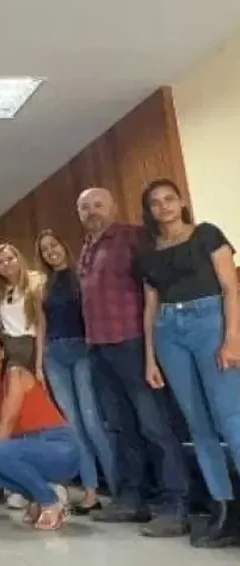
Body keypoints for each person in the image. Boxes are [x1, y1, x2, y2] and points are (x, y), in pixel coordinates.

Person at [77, 187, 189, 536]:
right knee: (121, 426)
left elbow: (155, 287)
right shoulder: (86, 247)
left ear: (113, 207)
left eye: (98, 204)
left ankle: (175, 505)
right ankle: (133, 499)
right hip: (99, 348)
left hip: (134, 343)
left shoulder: (133, 237)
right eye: (85, 207)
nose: (92, 211)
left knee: (155, 425)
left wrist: (154, 346)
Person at [137, 179, 240, 547]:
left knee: (231, 418)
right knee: (198, 425)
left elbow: (231, 287)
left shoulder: (206, 234)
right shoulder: (148, 253)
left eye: (169, 198)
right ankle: (224, 510)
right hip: (168, 331)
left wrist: (232, 338)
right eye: (155, 202)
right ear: (149, 211)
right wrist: (150, 358)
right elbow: (150, 306)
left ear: (180, 202)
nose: (163, 206)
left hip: (209, 321)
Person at [33, 229, 115, 514]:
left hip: (82, 350)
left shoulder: (83, 274)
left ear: (63, 245)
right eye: (44, 250)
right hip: (54, 355)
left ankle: (119, 490)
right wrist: (39, 365)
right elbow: (41, 325)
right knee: (73, 426)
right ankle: (91, 492)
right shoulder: (43, 286)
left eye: (53, 245)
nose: (51, 252)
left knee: (93, 422)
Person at [0, 330, 79, 531]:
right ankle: (38, 496)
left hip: (58, 446)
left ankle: (50, 502)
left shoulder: (15, 373)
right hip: (27, 447)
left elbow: (8, 422)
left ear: (2, 352)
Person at [0, 243, 44, 369]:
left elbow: (41, 324)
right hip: (10, 347)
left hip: (32, 344)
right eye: (0, 262)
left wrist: (39, 363)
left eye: (10, 259)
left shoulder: (37, 281)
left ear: (18, 259)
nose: (6, 264)